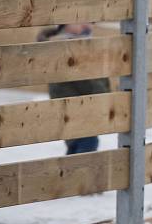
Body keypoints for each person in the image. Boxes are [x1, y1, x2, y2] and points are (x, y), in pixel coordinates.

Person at [36, 21, 111, 155]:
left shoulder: (77, 47)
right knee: (85, 150)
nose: (87, 26)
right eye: (81, 21)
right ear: (65, 24)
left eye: (90, 22)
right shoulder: (67, 49)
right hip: (77, 113)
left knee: (76, 152)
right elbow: (94, 86)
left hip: (78, 114)